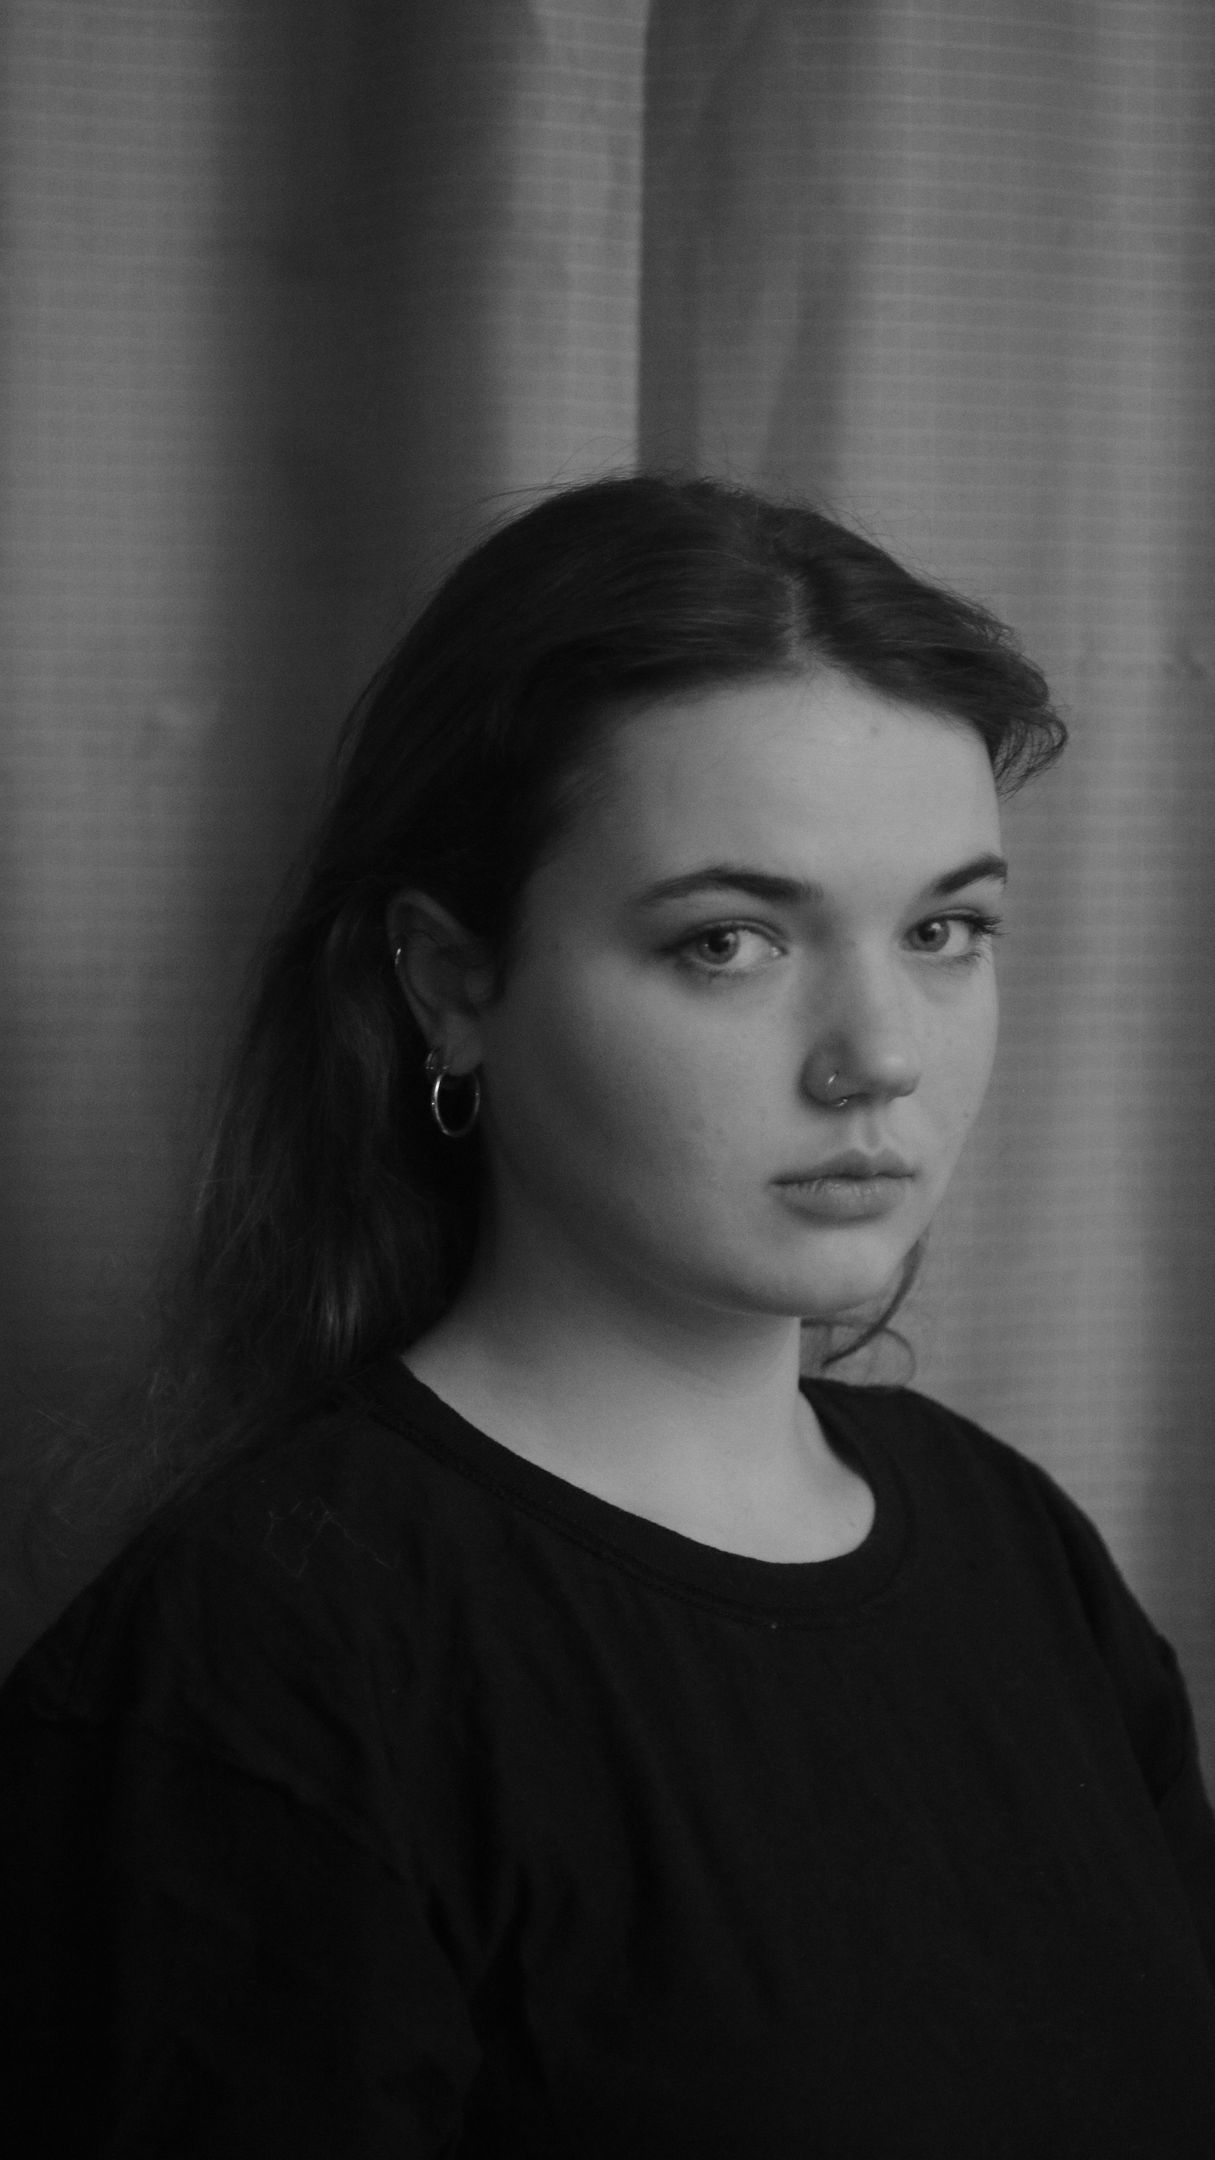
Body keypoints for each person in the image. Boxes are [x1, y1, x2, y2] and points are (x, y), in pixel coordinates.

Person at [2, 474, 1214, 2157]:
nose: (879, 1055)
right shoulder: (258, 1669)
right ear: (450, 983)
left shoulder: (1022, 1553)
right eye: (729, 942)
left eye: (946, 929)